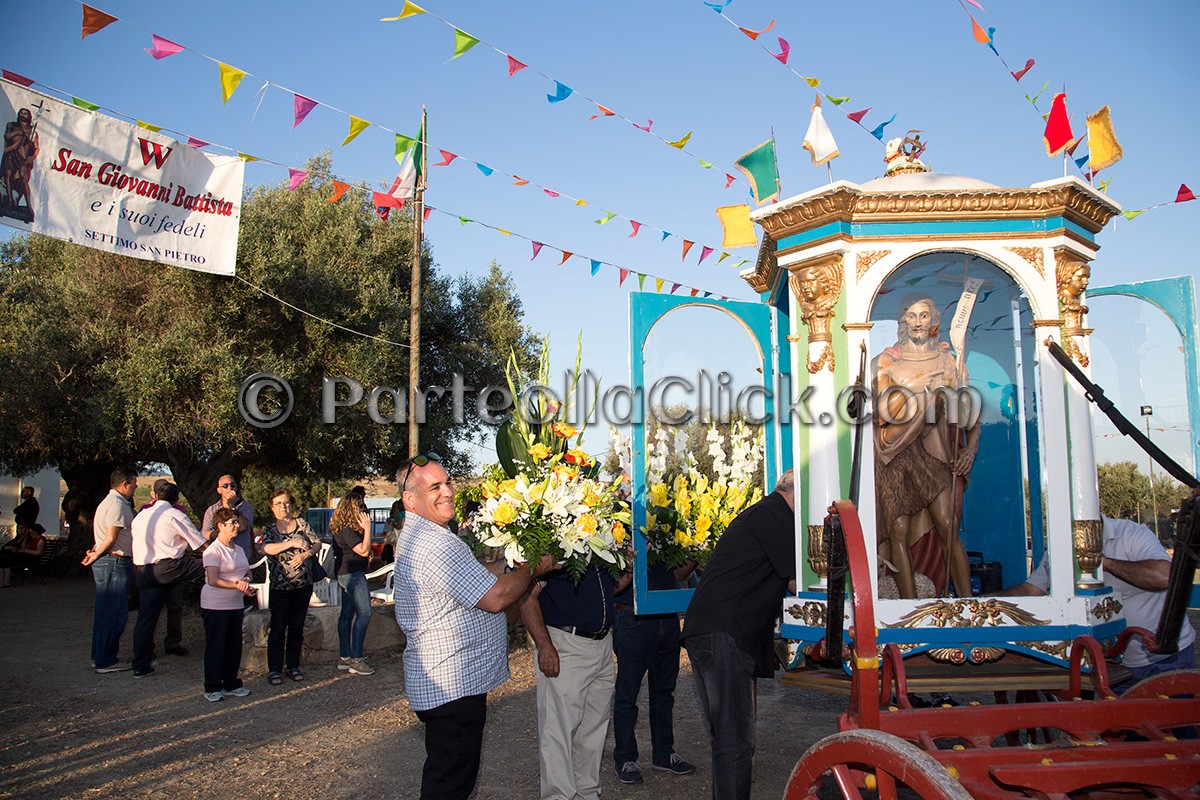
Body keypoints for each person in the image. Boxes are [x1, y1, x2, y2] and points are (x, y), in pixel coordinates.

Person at [393, 453, 550, 800]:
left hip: (449, 684)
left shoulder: (431, 535)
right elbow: (495, 597)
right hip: (451, 686)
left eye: (447, 482)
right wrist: (534, 568)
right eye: (434, 486)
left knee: (450, 777)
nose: (447, 491)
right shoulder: (433, 543)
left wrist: (514, 565)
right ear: (411, 499)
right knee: (449, 784)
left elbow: (476, 578)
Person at [680, 469, 796, 800]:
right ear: (796, 495)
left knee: (729, 738)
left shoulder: (766, 512)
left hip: (713, 631)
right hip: (722, 633)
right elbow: (795, 582)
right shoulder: (775, 514)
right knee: (735, 741)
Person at [999, 515, 1196, 689]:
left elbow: (1164, 576)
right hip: (1113, 665)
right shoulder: (1059, 548)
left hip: (1164, 659)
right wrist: (983, 601)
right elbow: (1031, 589)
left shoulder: (1129, 534)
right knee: (1121, 726)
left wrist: (1102, 562)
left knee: (1175, 727)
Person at [873, 294, 980, 599]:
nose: (917, 322)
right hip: (893, 454)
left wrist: (970, 449)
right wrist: (922, 393)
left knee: (947, 526)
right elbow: (881, 410)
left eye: (924, 315)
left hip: (933, 454)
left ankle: (967, 603)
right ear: (902, 321)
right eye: (911, 315)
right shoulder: (887, 360)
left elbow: (970, 418)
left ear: (934, 321)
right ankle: (909, 609)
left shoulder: (948, 361)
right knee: (899, 532)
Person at [520, 547, 630, 799]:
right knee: (558, 733)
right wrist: (545, 646)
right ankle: (558, 796)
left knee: (593, 729)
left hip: (601, 644)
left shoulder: (599, 537)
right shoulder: (559, 535)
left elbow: (606, 591)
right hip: (565, 645)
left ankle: (587, 793)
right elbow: (527, 597)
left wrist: (631, 568)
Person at [611, 558, 698, 784]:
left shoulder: (671, 527)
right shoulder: (624, 526)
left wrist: (699, 548)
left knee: (664, 691)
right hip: (633, 615)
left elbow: (679, 574)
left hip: (666, 615)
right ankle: (625, 757)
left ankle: (663, 753)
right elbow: (614, 579)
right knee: (627, 693)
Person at [131, 482, 208, 678]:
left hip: (142, 570)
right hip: (168, 568)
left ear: (155, 496)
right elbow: (199, 544)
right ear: (177, 500)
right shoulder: (175, 515)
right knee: (210, 565)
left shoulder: (140, 517)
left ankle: (141, 663)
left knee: (146, 618)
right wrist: (221, 554)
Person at [259, 489, 322, 684]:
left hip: (302, 585)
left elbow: (317, 543)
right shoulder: (270, 530)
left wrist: (306, 554)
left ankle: (293, 666)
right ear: (272, 507)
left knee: (296, 626)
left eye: (286, 503)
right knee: (278, 628)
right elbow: (266, 548)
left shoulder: (302, 524)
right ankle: (274, 669)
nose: (283, 507)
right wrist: (292, 543)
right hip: (280, 587)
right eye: (278, 503)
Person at [82, 467, 138, 674]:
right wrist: (97, 554)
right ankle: (106, 659)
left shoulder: (111, 502)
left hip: (109, 561)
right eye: (133, 483)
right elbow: (111, 537)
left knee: (105, 611)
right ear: (124, 484)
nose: (136, 487)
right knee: (114, 612)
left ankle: (99, 656)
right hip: (114, 562)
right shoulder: (116, 505)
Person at [201, 507, 256, 702]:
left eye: (236, 521)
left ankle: (231, 682)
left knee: (234, 645)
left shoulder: (239, 549)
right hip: (215, 606)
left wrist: (245, 583)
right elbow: (213, 579)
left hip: (235, 605)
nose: (236, 525)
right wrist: (236, 585)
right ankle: (212, 686)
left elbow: (247, 572)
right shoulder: (212, 551)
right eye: (231, 522)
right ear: (220, 526)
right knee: (216, 645)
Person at [138, 479, 189, 657]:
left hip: (162, 566)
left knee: (175, 606)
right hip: (164, 565)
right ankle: (147, 648)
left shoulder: (177, 512)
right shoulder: (145, 512)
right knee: (152, 609)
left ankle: (172, 642)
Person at [331, 492, 375, 676]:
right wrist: (367, 528)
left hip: (347, 573)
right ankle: (356, 659)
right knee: (364, 613)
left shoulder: (344, 527)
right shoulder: (347, 530)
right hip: (352, 575)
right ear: (351, 508)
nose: (364, 510)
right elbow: (363, 551)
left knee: (347, 615)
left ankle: (345, 656)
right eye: (360, 506)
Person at [200, 475, 255, 561]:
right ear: (219, 490)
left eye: (232, 485)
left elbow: (243, 527)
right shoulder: (212, 510)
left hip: (241, 556)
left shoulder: (245, 507)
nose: (229, 488)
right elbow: (205, 534)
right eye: (225, 486)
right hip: (220, 557)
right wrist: (223, 533)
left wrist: (232, 506)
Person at [1, 107, 39, 222]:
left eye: (25, 113)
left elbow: (36, 147)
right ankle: (9, 203)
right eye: (21, 113)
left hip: (23, 157)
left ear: (29, 116)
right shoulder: (12, 125)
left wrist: (32, 157)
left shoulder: (32, 131)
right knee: (8, 176)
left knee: (24, 179)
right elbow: (7, 136)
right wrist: (19, 133)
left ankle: (28, 205)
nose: (23, 115)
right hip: (11, 154)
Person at [0, 522, 47, 587]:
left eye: (32, 532)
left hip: (33, 558)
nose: (31, 534)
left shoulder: (41, 540)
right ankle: (2, 581)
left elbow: (39, 552)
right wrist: (25, 536)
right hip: (26, 556)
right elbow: (23, 547)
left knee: (8, 561)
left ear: (36, 532)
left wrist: (26, 551)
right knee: (3, 560)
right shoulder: (32, 539)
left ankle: (7, 581)